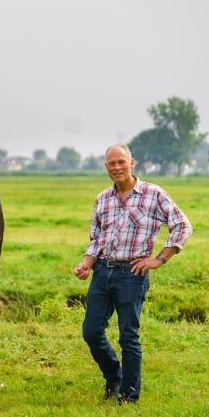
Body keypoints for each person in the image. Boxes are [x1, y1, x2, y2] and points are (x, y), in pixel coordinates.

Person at [72, 144, 192, 403]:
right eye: (111, 163)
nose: (116, 167)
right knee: (91, 332)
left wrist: (159, 259)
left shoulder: (153, 194)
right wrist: (86, 262)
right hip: (103, 271)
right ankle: (114, 376)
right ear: (106, 167)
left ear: (132, 163)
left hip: (132, 274)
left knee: (129, 335)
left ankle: (129, 396)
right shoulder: (102, 199)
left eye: (121, 162)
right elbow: (96, 240)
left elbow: (182, 226)